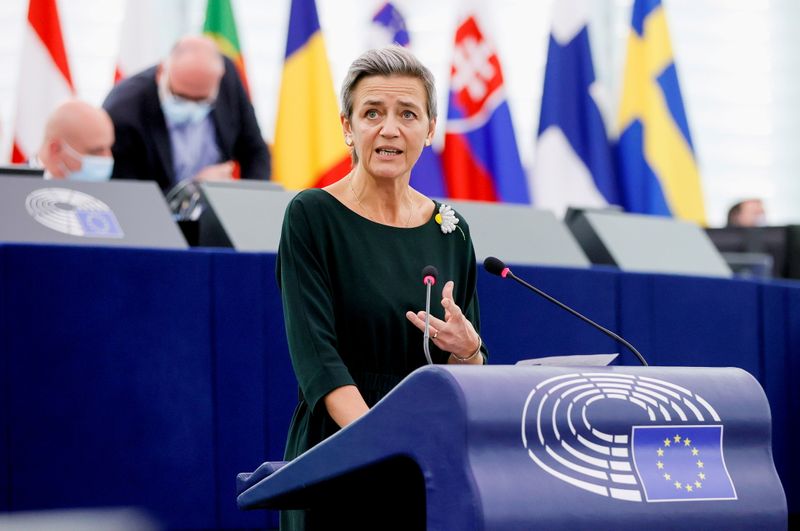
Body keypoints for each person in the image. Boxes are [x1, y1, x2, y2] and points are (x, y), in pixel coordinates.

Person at [277, 45, 486, 530]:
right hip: (341, 451)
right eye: (372, 112)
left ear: (430, 129)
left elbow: (469, 370)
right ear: (348, 127)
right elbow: (319, 361)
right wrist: (381, 443)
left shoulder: (450, 229)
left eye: (407, 114)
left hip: (427, 461)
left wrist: (469, 351)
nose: (389, 128)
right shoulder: (312, 216)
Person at [102, 35, 270, 192]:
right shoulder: (124, 110)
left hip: (219, 207)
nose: (192, 106)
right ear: (162, 72)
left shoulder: (228, 77)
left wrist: (252, 198)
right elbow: (131, 195)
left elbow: (255, 150)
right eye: (181, 97)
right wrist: (193, 188)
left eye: (202, 100)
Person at [34, 99, 115, 181]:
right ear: (56, 150)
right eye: (95, 152)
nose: (107, 158)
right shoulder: (21, 189)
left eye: (109, 148)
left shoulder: (108, 191)